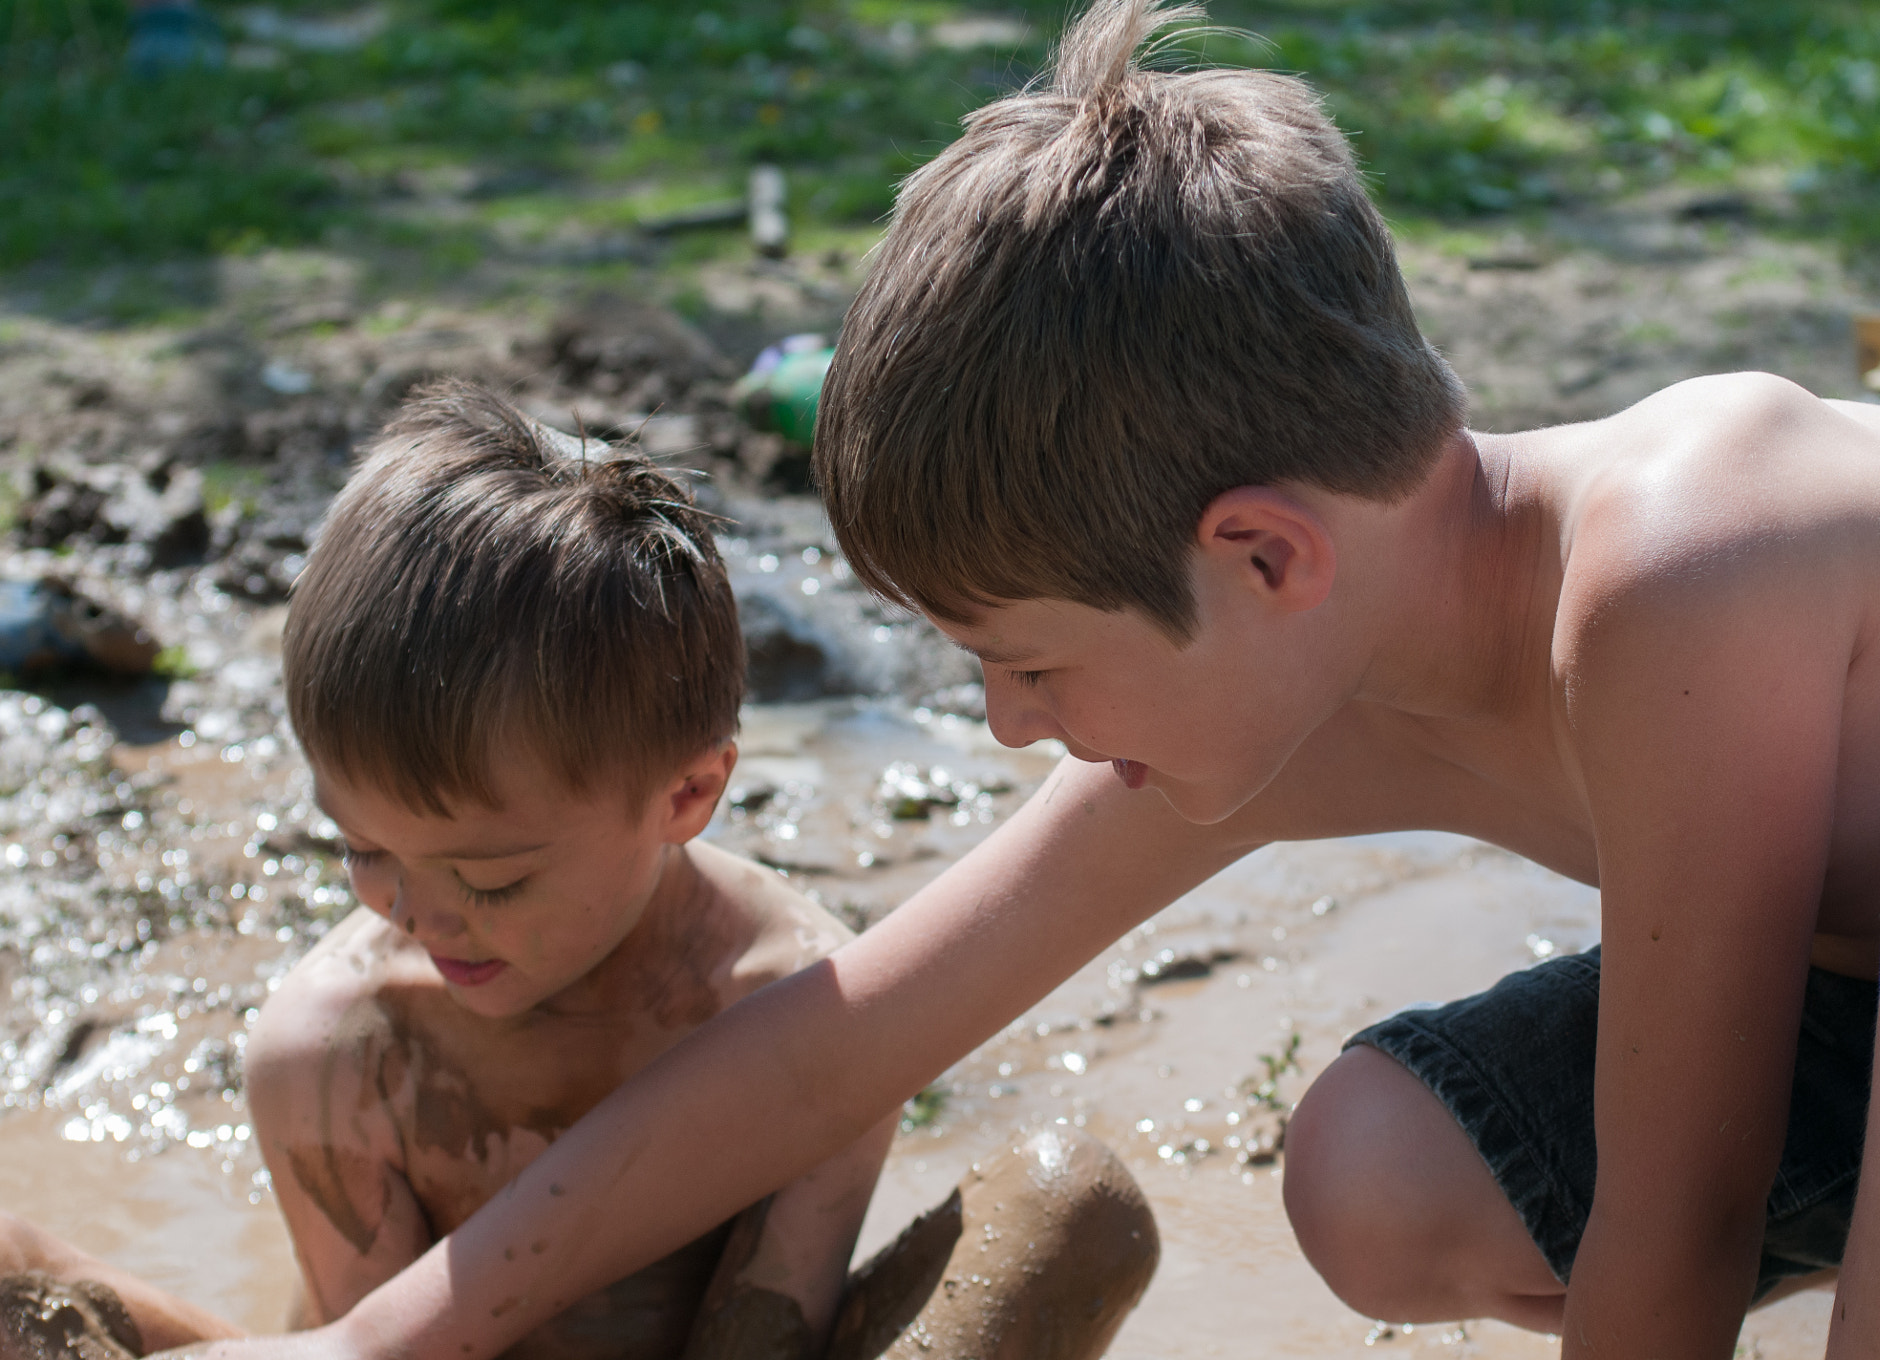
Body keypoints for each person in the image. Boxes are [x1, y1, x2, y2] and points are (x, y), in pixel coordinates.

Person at [145, 0, 1880, 1356]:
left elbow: (1681, 1213)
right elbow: (840, 1039)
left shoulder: (1678, 564)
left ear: (1260, 555)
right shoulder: (1325, 662)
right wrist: (375, 1341)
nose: (1005, 724)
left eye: (1027, 661)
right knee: (1379, 1173)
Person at [0, 382, 1158, 1360]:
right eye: (361, 850)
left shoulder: (808, 1008)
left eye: (492, 879)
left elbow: (759, 1337)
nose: (419, 916)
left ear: (685, 796)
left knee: (1070, 1204)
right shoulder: (336, 1054)